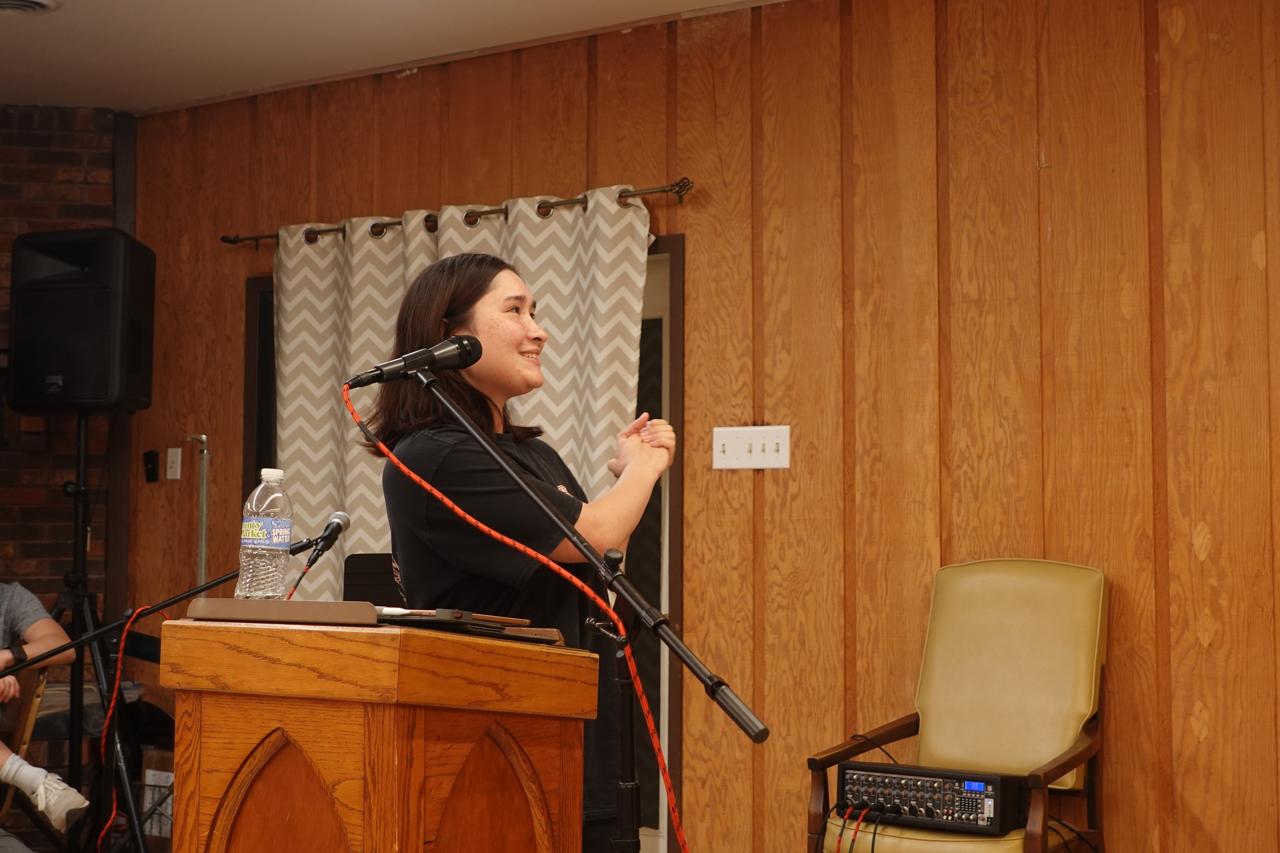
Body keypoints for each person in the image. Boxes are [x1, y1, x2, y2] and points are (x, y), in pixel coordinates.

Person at [367, 253, 675, 851]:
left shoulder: (534, 455)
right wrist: (645, 467)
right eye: (515, 311)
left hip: (577, 734)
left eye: (535, 312)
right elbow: (599, 534)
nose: (539, 331)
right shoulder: (436, 455)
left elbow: (595, 556)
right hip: (502, 753)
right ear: (451, 338)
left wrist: (624, 479)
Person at [0, 583, 90, 849]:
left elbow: (63, 647)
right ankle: (33, 780)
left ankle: (32, 780)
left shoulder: (9, 597)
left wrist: (9, 657)